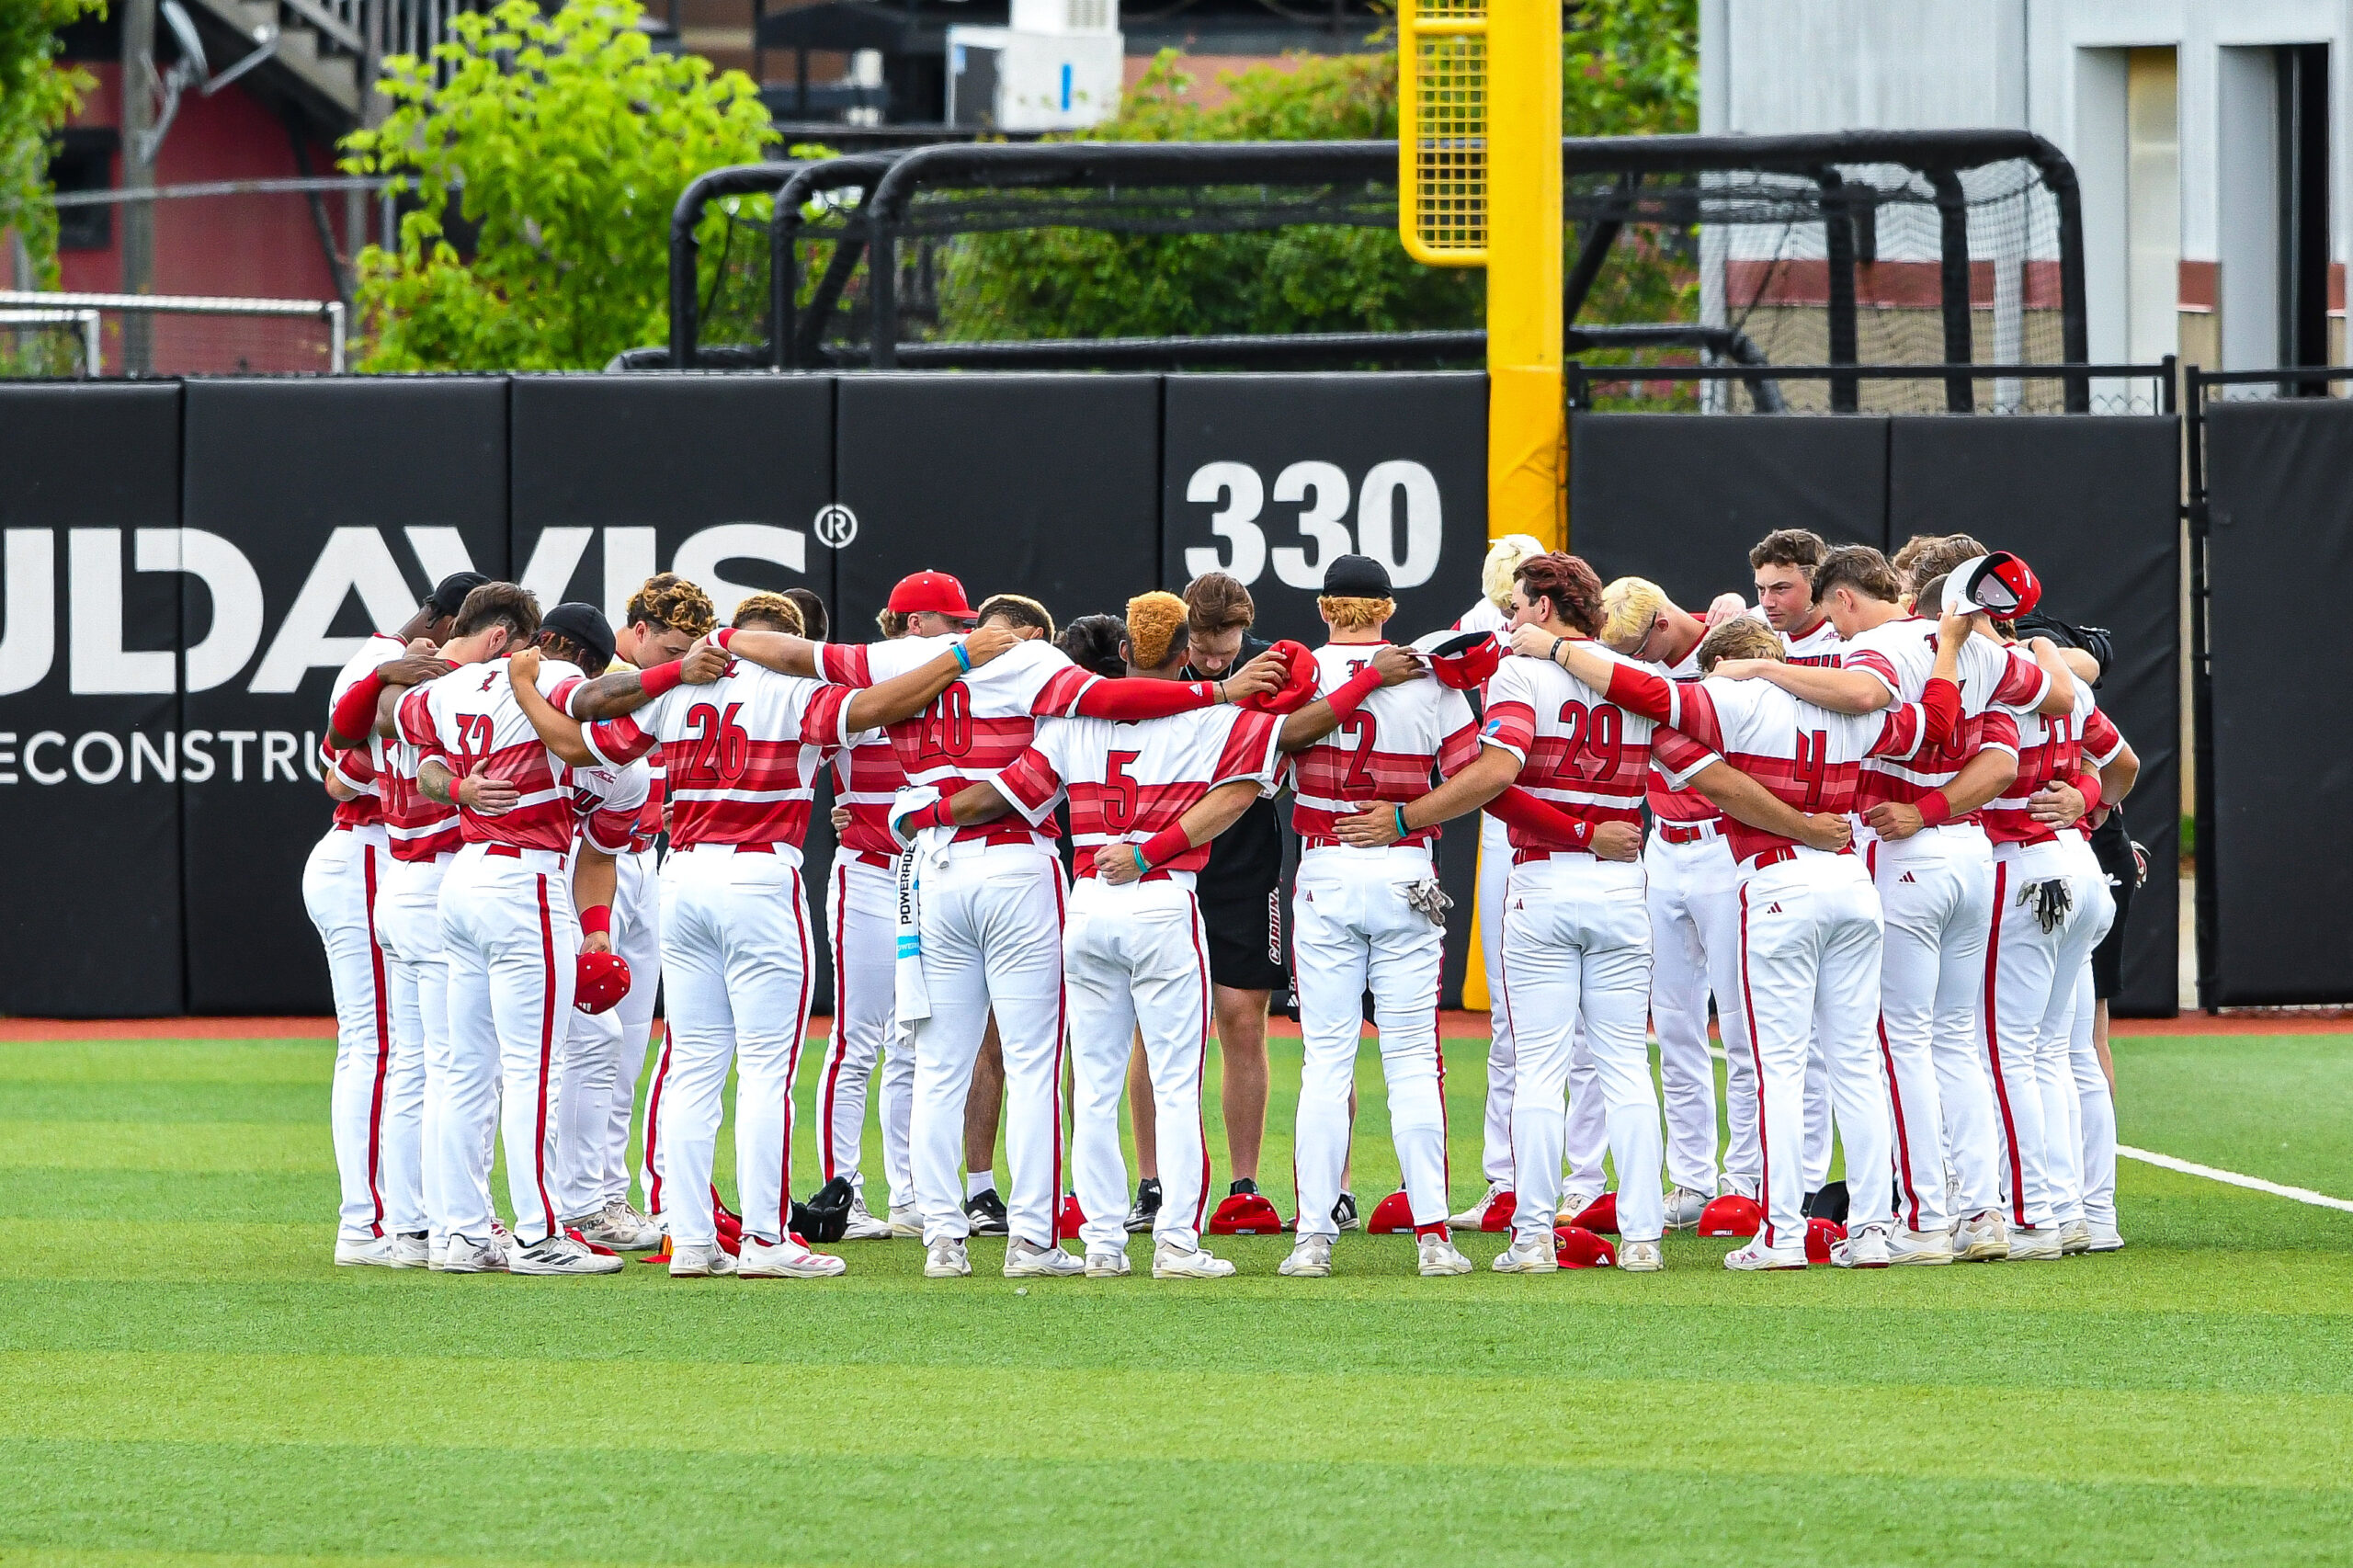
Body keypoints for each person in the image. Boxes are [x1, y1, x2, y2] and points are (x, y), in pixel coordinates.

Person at [728, 590, 1285, 1279]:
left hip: (937, 868)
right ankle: (1041, 1239)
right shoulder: (1039, 667)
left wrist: (725, 639)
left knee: (939, 1064)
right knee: (1040, 1067)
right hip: (1039, 870)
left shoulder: (904, 655)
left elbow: (795, 652)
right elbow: (1119, 707)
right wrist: (1226, 689)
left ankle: (943, 1235)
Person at [517, 607, 1001, 1278]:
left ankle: (688, 1239)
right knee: (767, 1070)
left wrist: (520, 686)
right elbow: (881, 704)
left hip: (681, 875)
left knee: (693, 1066)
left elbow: (576, 744)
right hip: (758, 878)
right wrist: (960, 659)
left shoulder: (675, 686)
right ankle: (766, 1240)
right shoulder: (792, 687)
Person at [1540, 612, 1963, 1269]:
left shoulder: (1732, 695)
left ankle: (1783, 1233)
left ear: (1723, 663)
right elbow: (1938, 725)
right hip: (1852, 882)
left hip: (1779, 881)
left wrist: (1559, 649)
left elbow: (1647, 696)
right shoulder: (1847, 704)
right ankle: (1875, 1229)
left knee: (1780, 1068)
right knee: (1856, 1065)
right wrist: (1951, 651)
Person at [1707, 546, 2072, 1263]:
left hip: (1901, 849)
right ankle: (1985, 1213)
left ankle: (1925, 1219)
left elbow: (1864, 697)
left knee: (1898, 1041)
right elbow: (2052, 703)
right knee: (1957, 1039)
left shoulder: (1875, 646)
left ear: (1841, 599)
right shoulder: (1968, 648)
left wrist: (1762, 667)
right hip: (1971, 847)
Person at [368, 583, 625, 1276]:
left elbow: (402, 729)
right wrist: (662, 681)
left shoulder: (453, 686)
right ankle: (540, 1234)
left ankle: (459, 1233)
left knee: (463, 1069)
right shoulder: (555, 673)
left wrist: (457, 788)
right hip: (523, 882)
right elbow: (596, 708)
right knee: (535, 1068)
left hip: (465, 876)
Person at [1275, 553, 1482, 1280]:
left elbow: (1275, 752)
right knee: (1414, 1061)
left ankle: (1312, 1240)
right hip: (1406, 870)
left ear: (1325, 608)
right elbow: (1473, 777)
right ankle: (1433, 1237)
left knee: (1326, 1064)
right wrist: (1406, 818)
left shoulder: (1303, 674)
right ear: (1387, 608)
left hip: (1325, 865)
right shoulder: (1431, 678)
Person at [313, 570, 485, 1267]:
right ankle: (378, 1223)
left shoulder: (394, 665)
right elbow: (337, 770)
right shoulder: (384, 663)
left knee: (385, 1050)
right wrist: (384, 676)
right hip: (371, 853)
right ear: (447, 625)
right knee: (388, 1050)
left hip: (381, 856)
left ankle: (386, 1221)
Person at [814, 574, 990, 1241]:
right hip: (866, 873)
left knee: (915, 1043)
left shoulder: (959, 684)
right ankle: (842, 1193)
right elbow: (803, 750)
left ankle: (912, 1192)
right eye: (950, 623)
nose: (960, 634)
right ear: (915, 625)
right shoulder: (856, 686)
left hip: (927, 873)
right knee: (856, 1040)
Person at [556, 574, 715, 1253]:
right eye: (672, 647)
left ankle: (605, 1192)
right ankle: (574, 1199)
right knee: (588, 1042)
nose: (680, 662)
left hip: (641, 855)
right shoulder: (600, 680)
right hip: (582, 859)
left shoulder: (665, 688)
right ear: (639, 632)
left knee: (625, 1041)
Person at [1596, 574, 1755, 1221]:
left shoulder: (1732, 642)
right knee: (1676, 1025)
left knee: (1743, 1026)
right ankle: (1693, 1181)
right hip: (1662, 844)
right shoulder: (1663, 644)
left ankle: (1748, 1180)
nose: (1631, 663)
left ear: (1662, 624)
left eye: (1636, 647)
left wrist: (1739, 616)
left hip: (1724, 841)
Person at [1436, 535, 1570, 1233]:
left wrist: (1410, 815)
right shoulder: (1473, 631)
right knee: (1526, 1026)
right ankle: (1519, 1182)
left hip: (1561, 829)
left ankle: (1560, 1185)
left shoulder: (1580, 646)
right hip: (1544, 830)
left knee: (1570, 1032)